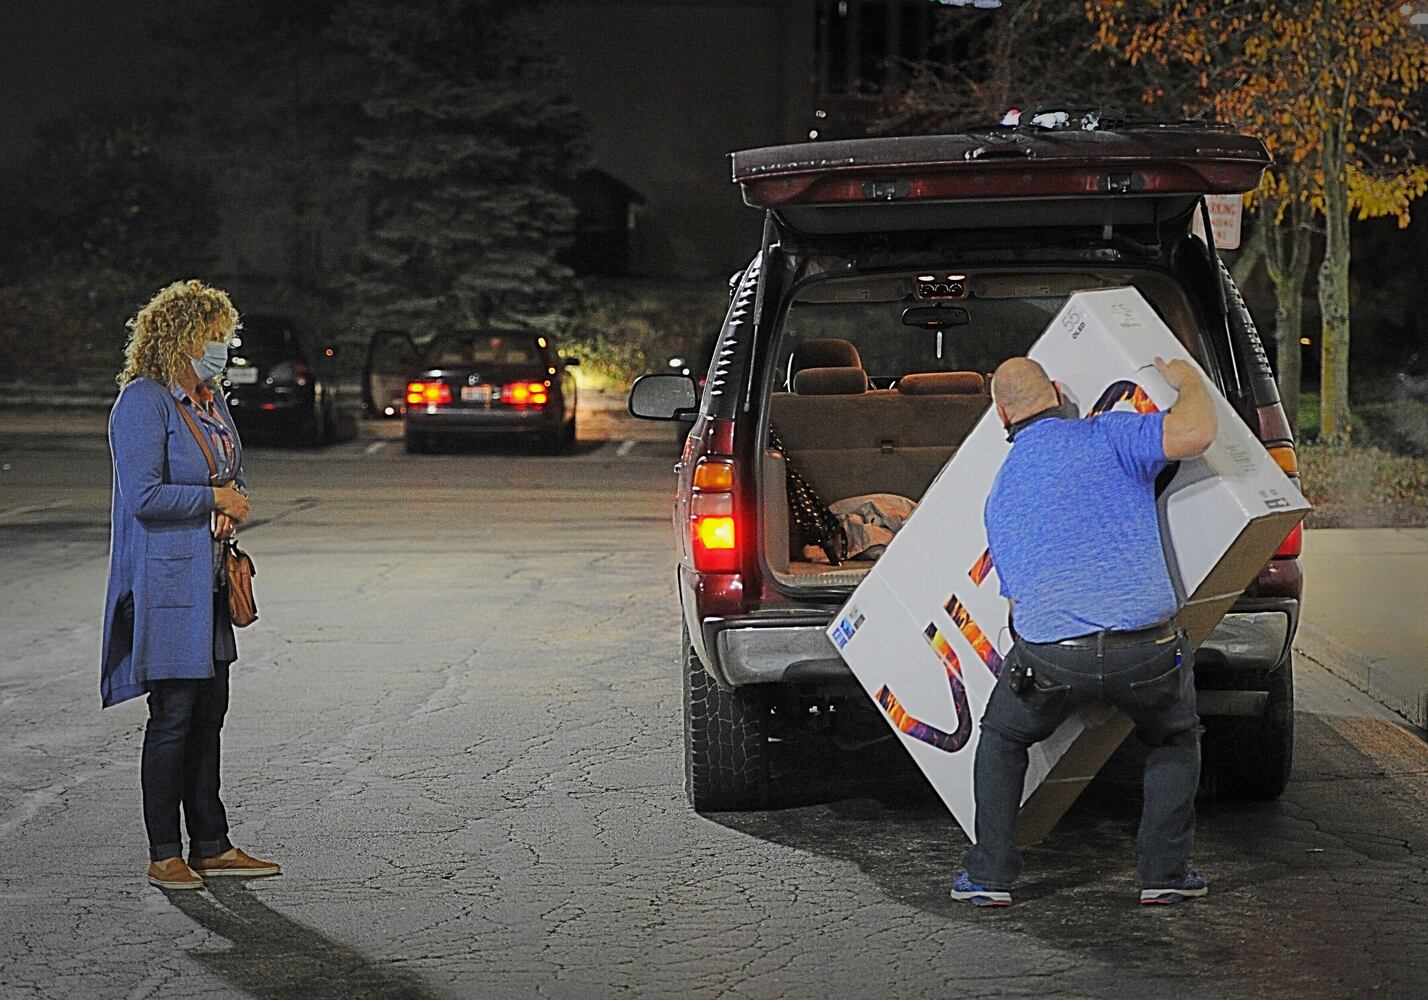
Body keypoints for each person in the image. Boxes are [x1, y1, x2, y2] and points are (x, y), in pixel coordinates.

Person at [950, 355, 1217, 908]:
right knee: (1173, 737)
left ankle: (989, 877)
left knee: (1002, 739)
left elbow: (1018, 589)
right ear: (1055, 392)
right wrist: (1185, 379)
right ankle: (1165, 874)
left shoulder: (1001, 491)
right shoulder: (1112, 436)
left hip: (1051, 662)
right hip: (1146, 653)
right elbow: (1196, 431)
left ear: (1001, 414)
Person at [100, 280, 281, 891]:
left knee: (210, 712)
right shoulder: (142, 403)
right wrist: (213, 499)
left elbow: (233, 470)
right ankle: (163, 852)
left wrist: (233, 502)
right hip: (167, 582)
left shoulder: (210, 400)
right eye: (215, 337)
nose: (224, 348)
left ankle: (213, 843)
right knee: (174, 714)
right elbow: (144, 497)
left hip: (208, 579)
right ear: (179, 338)